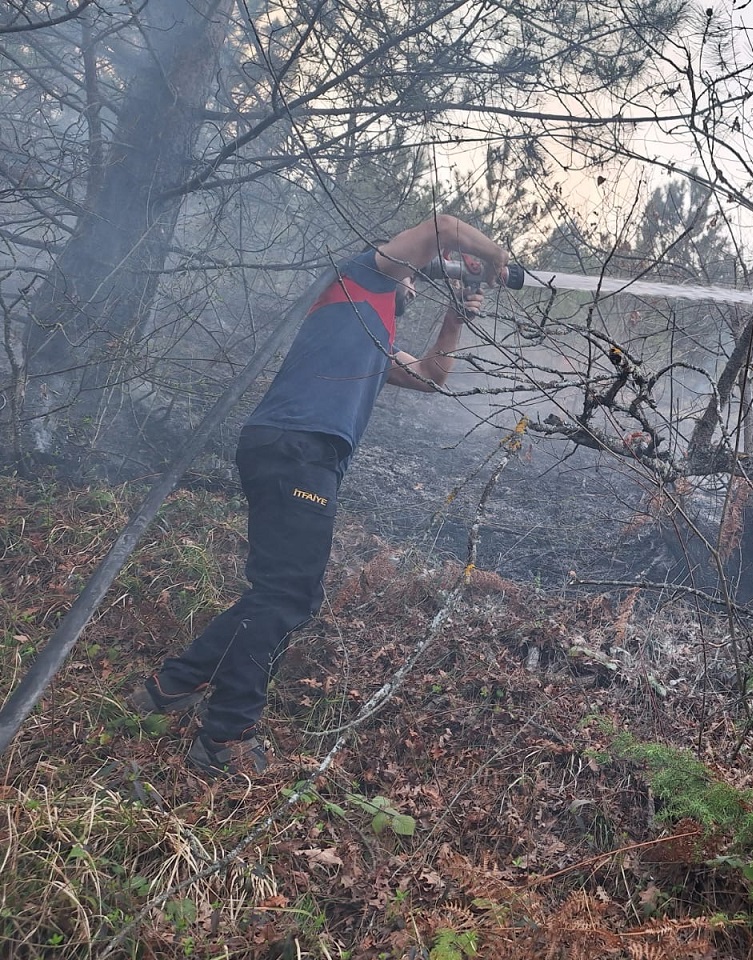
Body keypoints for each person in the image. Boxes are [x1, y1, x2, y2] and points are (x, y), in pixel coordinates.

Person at [127, 215, 511, 778]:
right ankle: (225, 737)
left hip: (300, 450)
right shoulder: (359, 281)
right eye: (412, 276)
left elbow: (431, 377)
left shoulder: (373, 337)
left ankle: (169, 688)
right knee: (287, 596)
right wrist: (497, 257)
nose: (412, 284)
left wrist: (454, 317)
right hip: (298, 445)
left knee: (279, 593)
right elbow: (443, 226)